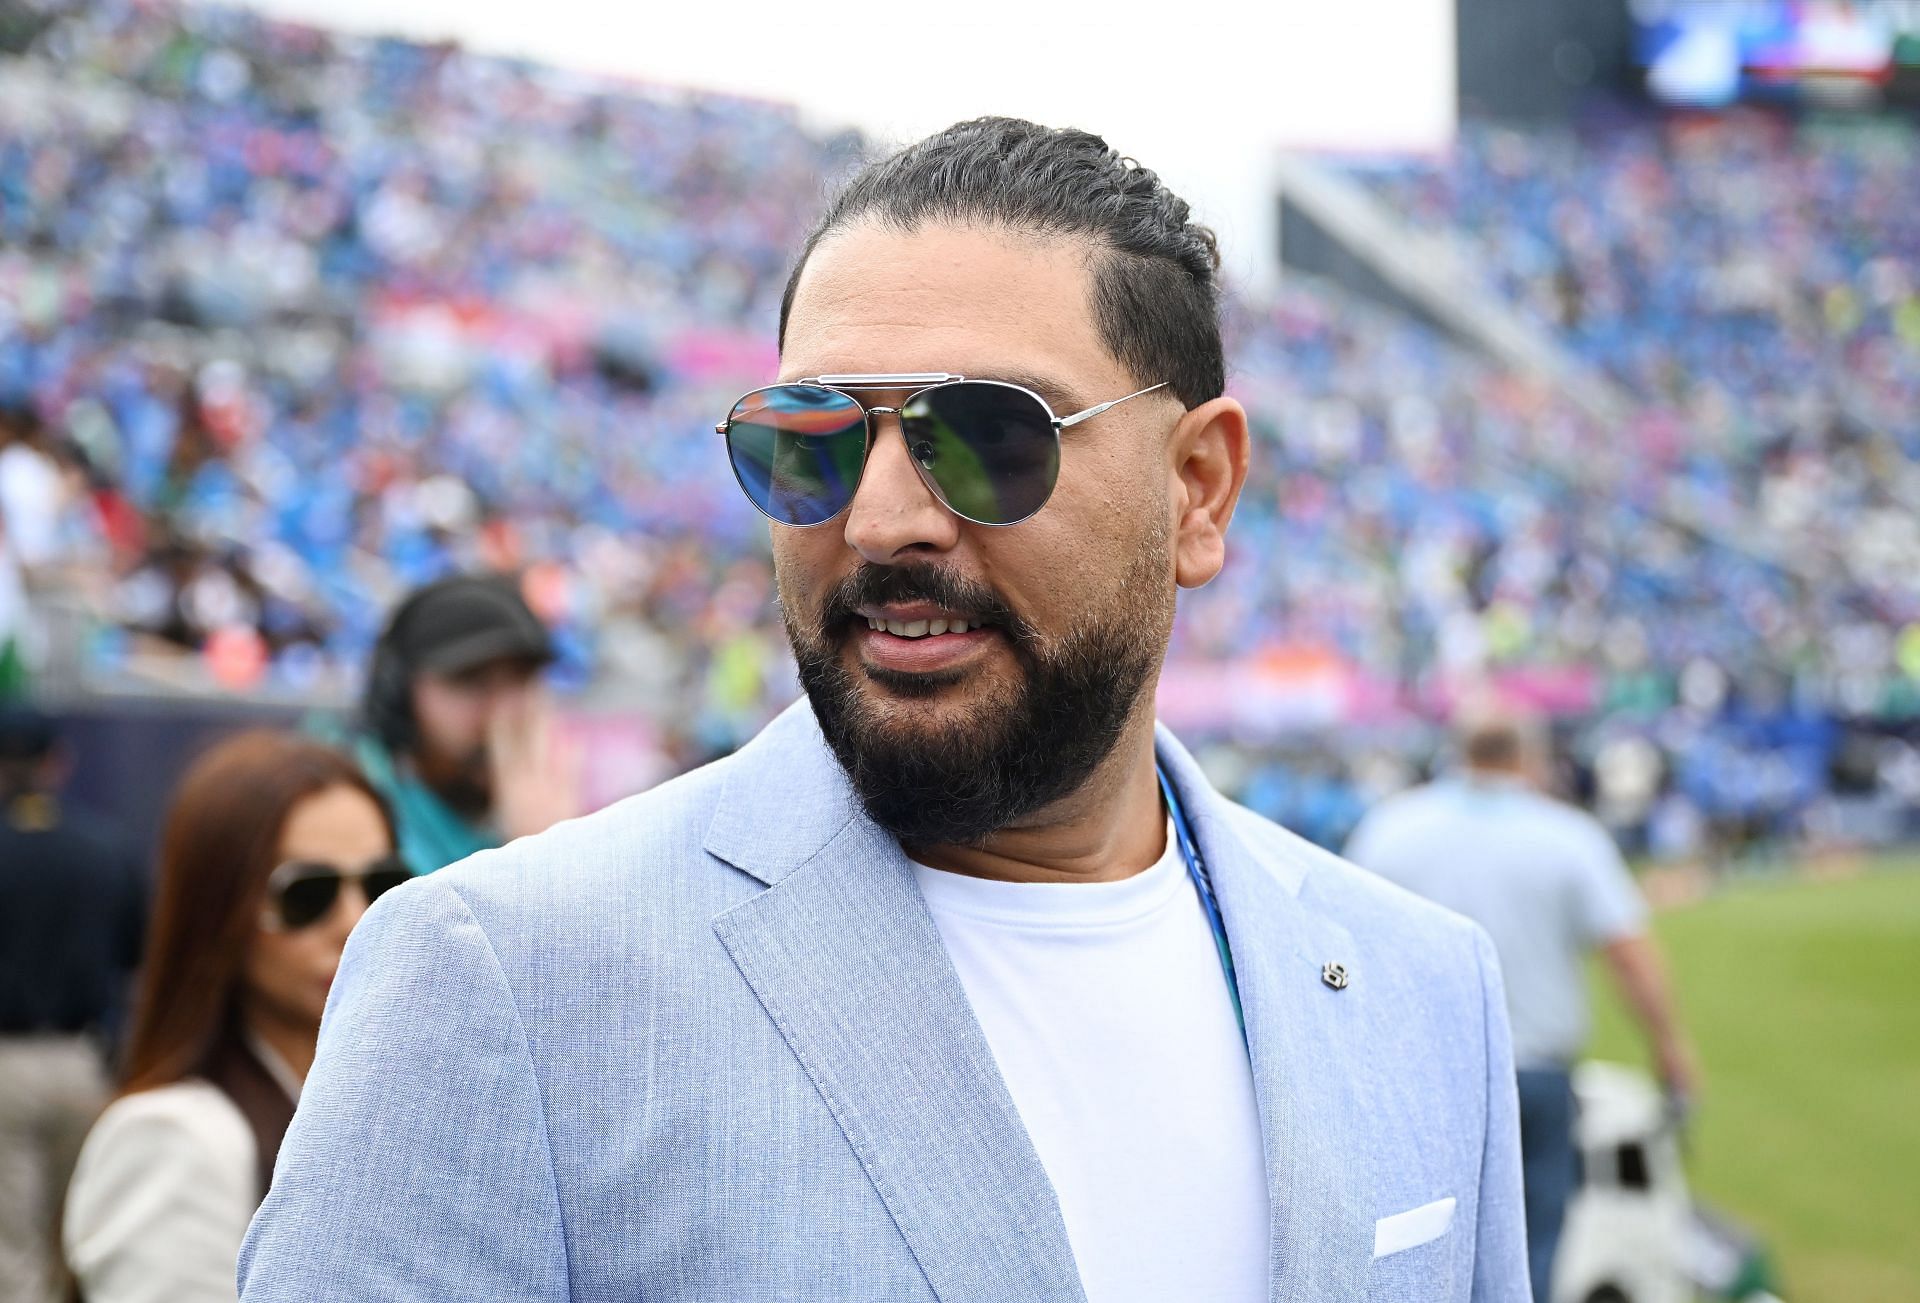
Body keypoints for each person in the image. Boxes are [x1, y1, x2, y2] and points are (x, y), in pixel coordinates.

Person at [241, 118, 1529, 1302]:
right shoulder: (502, 984)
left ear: (1197, 488)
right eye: (811, 441)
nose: (882, 520)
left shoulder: (1425, 988)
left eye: (986, 437)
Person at [1345, 712, 1699, 1303]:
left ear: (1458, 753)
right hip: (1532, 1072)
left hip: (1419, 1076)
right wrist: (1670, 1045)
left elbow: (1343, 940)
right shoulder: (1566, 836)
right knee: (1530, 1256)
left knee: (1419, 1246)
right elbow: (1630, 955)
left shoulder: (1391, 829)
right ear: (1529, 759)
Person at [63, 733, 404, 1303]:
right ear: (220, 911)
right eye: (305, 894)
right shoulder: (176, 1139)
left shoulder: (383, 1112)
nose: (356, 922)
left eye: (383, 885)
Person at [0, 706, 144, 1303]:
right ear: (57, 763)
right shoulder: (107, 849)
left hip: (4, 1067)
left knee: (11, 1253)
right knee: (80, 1244)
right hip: (85, 1062)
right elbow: (136, 958)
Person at [349, 573, 580, 873]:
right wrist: (537, 861)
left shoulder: (538, 803)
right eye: (471, 681)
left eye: (521, 680)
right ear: (400, 694)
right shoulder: (355, 810)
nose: (503, 713)